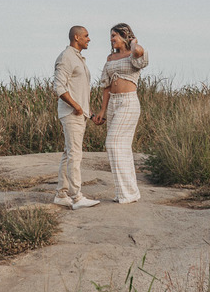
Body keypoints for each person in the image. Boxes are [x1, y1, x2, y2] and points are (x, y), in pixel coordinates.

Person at [92, 23, 148, 204]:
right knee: (121, 148)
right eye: (110, 36)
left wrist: (133, 43)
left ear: (124, 36)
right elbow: (106, 86)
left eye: (114, 36)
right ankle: (127, 192)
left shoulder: (133, 53)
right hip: (113, 104)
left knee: (113, 143)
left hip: (128, 102)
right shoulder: (110, 58)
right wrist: (102, 110)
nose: (111, 40)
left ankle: (128, 193)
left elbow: (139, 53)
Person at [52, 25, 100, 209]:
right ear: (76, 37)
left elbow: (78, 90)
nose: (89, 39)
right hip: (71, 114)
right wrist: (77, 107)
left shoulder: (77, 58)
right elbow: (59, 88)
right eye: (86, 36)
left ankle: (61, 194)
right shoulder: (66, 57)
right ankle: (77, 197)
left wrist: (90, 113)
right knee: (74, 154)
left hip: (80, 114)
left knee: (68, 153)